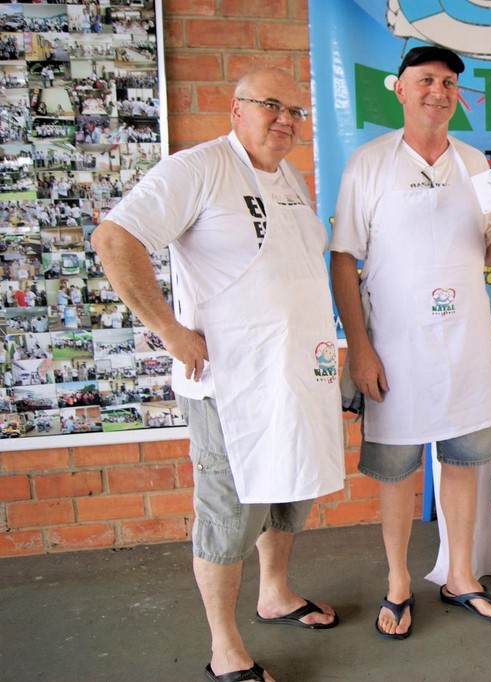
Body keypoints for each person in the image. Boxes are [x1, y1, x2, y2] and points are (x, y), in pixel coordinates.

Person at [91, 68, 346, 682]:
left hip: (296, 377)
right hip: (232, 385)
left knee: (288, 491)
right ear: (236, 109)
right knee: (228, 515)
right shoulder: (198, 168)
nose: (285, 119)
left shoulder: (289, 176)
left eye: (295, 111)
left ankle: (274, 593)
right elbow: (114, 239)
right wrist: (170, 331)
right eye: (270, 105)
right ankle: (224, 647)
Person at [330, 46, 491, 640]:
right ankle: (399, 581)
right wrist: (359, 348)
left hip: (463, 345)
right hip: (393, 349)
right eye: (426, 80)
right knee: (398, 470)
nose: (438, 91)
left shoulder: (476, 164)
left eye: (449, 83)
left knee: (463, 462)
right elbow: (343, 259)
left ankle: (460, 576)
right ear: (400, 89)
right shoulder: (368, 164)